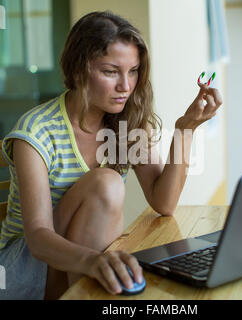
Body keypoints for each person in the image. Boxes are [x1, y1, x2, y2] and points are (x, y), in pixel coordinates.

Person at [0, 11, 222, 300]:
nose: (126, 86)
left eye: (133, 70)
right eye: (110, 71)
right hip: (24, 269)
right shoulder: (37, 130)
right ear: (79, 69)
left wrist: (185, 129)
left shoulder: (124, 123)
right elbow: (39, 238)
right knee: (107, 183)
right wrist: (94, 260)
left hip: (77, 264)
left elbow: (163, 202)